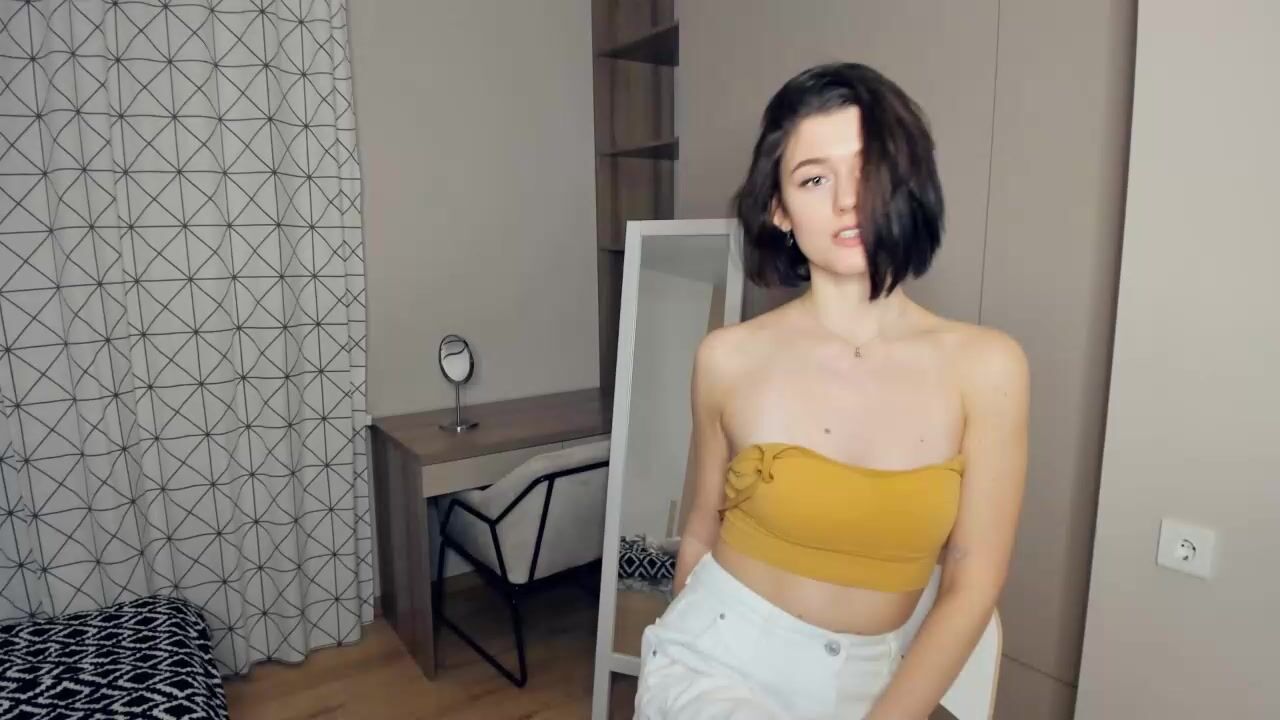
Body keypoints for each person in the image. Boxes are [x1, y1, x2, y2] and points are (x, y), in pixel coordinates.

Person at [633, 62, 1029, 719]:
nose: (849, 200)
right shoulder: (728, 358)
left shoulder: (989, 368)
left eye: (867, 169)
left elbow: (974, 577)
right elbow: (701, 527)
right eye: (814, 178)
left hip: (870, 684)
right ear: (780, 209)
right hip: (719, 662)